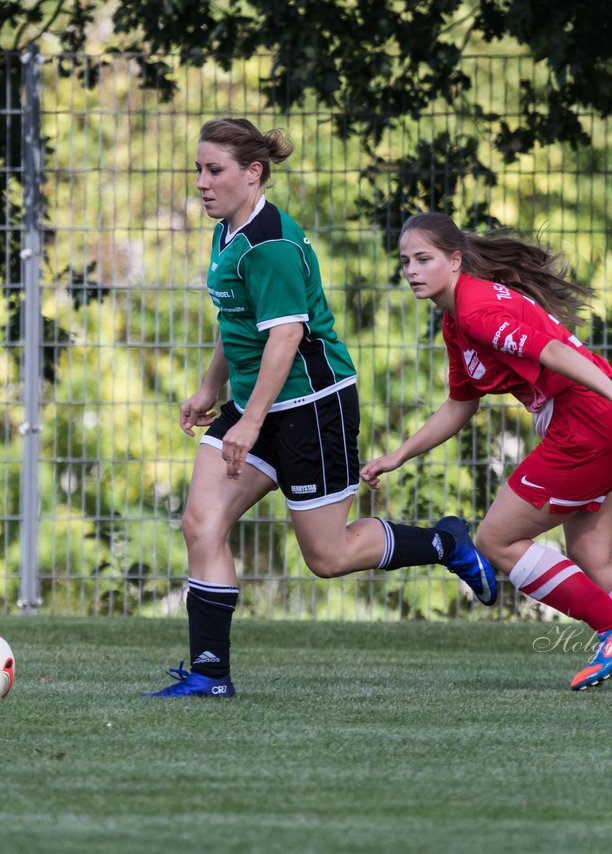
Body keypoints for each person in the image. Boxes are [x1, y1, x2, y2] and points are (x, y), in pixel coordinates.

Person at [143, 120, 498, 698]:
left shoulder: (272, 245)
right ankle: (210, 674)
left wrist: (251, 420)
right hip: (257, 404)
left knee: (328, 557)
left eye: (215, 170)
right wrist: (212, 389)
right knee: (201, 522)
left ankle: (446, 544)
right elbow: (238, 322)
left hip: (313, 406)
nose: (203, 182)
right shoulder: (228, 231)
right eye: (200, 169)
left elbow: (285, 336)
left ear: (252, 173)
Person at [361, 212, 612, 693]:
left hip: (590, 421)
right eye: (405, 260)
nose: (411, 270)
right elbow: (460, 405)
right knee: (593, 555)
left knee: (496, 541)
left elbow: (551, 353)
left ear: (455, 261)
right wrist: (399, 455)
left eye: (423, 259)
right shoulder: (459, 319)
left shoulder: (475, 310)